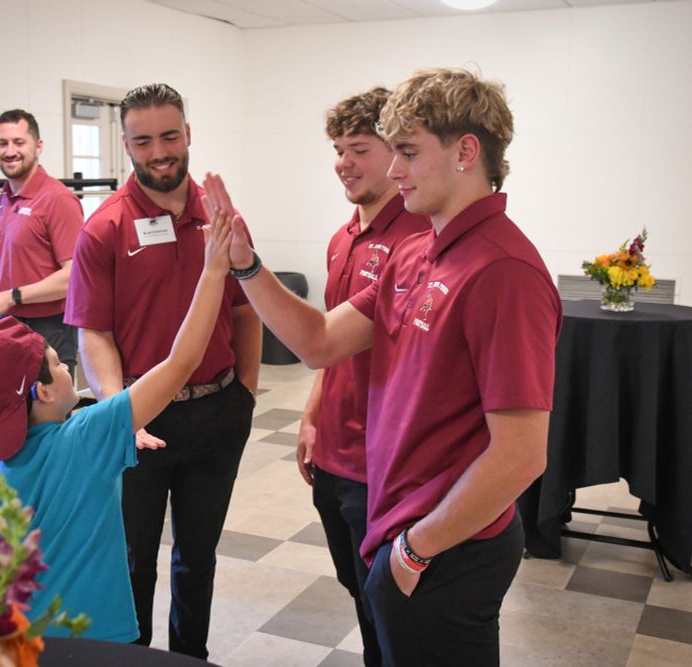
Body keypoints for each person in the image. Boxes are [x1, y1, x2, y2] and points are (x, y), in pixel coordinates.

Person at [202, 67, 561, 666]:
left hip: (450, 545)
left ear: (467, 151)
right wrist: (246, 265)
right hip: (397, 526)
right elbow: (317, 342)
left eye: (409, 153)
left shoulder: (505, 272)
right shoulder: (417, 252)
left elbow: (521, 454)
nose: (394, 171)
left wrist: (417, 551)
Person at [0, 211, 236, 642]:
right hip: (98, 638)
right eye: (57, 364)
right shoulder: (87, 436)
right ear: (44, 393)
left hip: (22, 642)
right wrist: (214, 269)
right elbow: (182, 362)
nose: (67, 368)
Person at [65, 83, 260, 659]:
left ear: (188, 134)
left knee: (198, 558)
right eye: (143, 140)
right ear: (126, 144)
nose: (159, 152)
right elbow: (93, 332)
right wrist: (116, 409)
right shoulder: (105, 227)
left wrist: (245, 393)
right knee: (133, 562)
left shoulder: (221, 217)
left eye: (170, 136)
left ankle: (188, 658)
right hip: (139, 423)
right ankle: (134, 656)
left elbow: (248, 310)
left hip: (217, 413)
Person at [297, 87, 429, 667]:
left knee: (391, 608)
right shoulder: (342, 237)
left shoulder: (418, 239)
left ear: (396, 155)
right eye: (337, 149)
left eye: (359, 149)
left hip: (382, 465)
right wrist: (310, 418)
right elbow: (331, 351)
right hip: (334, 453)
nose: (344, 163)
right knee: (358, 591)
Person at [0, 109, 83, 367]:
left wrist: (12, 296)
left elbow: (74, 276)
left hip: (49, 328)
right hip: (4, 324)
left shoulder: (57, 199)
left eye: (19, 142)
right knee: (9, 405)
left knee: (45, 407)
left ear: (38, 146)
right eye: (2, 143)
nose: (10, 151)